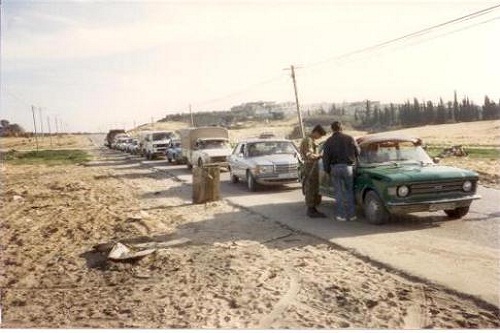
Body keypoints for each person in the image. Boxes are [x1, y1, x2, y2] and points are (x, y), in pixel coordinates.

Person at [322, 121, 360, 221]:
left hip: (335, 168)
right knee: (349, 192)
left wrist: (327, 170)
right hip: (348, 168)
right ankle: (352, 215)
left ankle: (341, 215)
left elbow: (325, 158)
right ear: (341, 128)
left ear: (332, 129)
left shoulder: (329, 141)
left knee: (338, 193)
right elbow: (358, 151)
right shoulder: (349, 138)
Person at [299, 124, 327, 218]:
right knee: (311, 187)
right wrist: (320, 156)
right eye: (320, 135)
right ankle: (311, 209)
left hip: (312, 165)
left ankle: (313, 208)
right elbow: (309, 155)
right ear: (316, 132)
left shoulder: (311, 140)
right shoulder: (308, 141)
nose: (320, 137)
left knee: (314, 187)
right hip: (310, 165)